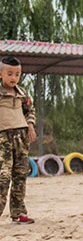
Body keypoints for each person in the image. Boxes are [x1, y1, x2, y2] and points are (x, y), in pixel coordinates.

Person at [0, 56, 37, 225]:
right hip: (2, 139)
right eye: (10, 74)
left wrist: (30, 124)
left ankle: (18, 213)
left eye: (17, 74)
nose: (14, 78)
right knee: (3, 176)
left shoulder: (22, 94)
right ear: (1, 74)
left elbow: (30, 111)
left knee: (20, 175)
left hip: (21, 139)